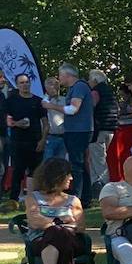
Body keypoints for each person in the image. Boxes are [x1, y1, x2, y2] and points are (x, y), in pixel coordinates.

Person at [23, 157, 93, 264]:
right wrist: (60, 223)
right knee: (58, 236)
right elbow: (35, 221)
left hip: (72, 240)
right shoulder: (33, 198)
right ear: (57, 177)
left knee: (59, 235)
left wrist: (51, 224)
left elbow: (80, 226)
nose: (72, 178)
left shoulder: (73, 200)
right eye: (68, 174)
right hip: (40, 242)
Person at [41, 64, 95, 205]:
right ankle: (85, 196)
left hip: (79, 130)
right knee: (80, 164)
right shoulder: (76, 87)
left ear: (68, 75)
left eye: (60, 75)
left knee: (76, 165)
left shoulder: (79, 87)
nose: (59, 79)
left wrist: (51, 106)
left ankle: (77, 197)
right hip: (76, 130)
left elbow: (73, 109)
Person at [3, 71, 44, 207]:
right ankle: (13, 199)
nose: (25, 85)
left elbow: (46, 123)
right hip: (17, 141)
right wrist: (16, 123)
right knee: (17, 170)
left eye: (27, 82)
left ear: (30, 83)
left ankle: (35, 199)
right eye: (22, 82)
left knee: (36, 171)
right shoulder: (11, 101)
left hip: (35, 141)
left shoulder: (37, 101)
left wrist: (43, 140)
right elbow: (6, 120)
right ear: (17, 85)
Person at [88, 69, 117, 188]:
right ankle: (98, 182)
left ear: (94, 80)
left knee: (98, 158)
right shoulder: (109, 91)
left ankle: (102, 185)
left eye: (90, 79)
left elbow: (91, 107)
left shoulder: (95, 91)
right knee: (101, 156)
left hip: (98, 128)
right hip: (111, 128)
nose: (88, 82)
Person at [41, 75, 66, 162]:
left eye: (56, 83)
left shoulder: (65, 100)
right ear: (46, 87)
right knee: (47, 166)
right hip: (49, 138)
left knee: (61, 166)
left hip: (63, 137)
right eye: (51, 83)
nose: (54, 85)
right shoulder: (42, 101)